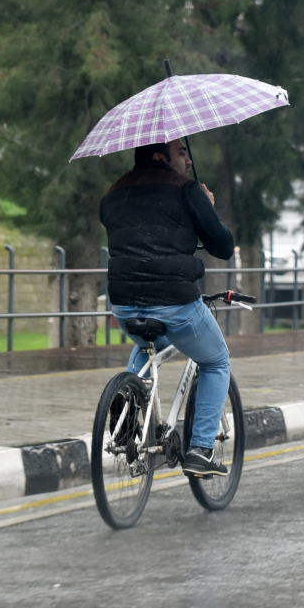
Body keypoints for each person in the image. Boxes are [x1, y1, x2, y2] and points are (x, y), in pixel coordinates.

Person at [100, 139, 235, 476]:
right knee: (217, 361)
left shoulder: (112, 195)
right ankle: (201, 450)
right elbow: (223, 246)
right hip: (175, 303)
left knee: (150, 345)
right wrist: (205, 206)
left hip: (123, 306)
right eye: (182, 152)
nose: (188, 161)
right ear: (159, 156)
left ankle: (128, 410)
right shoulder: (186, 190)